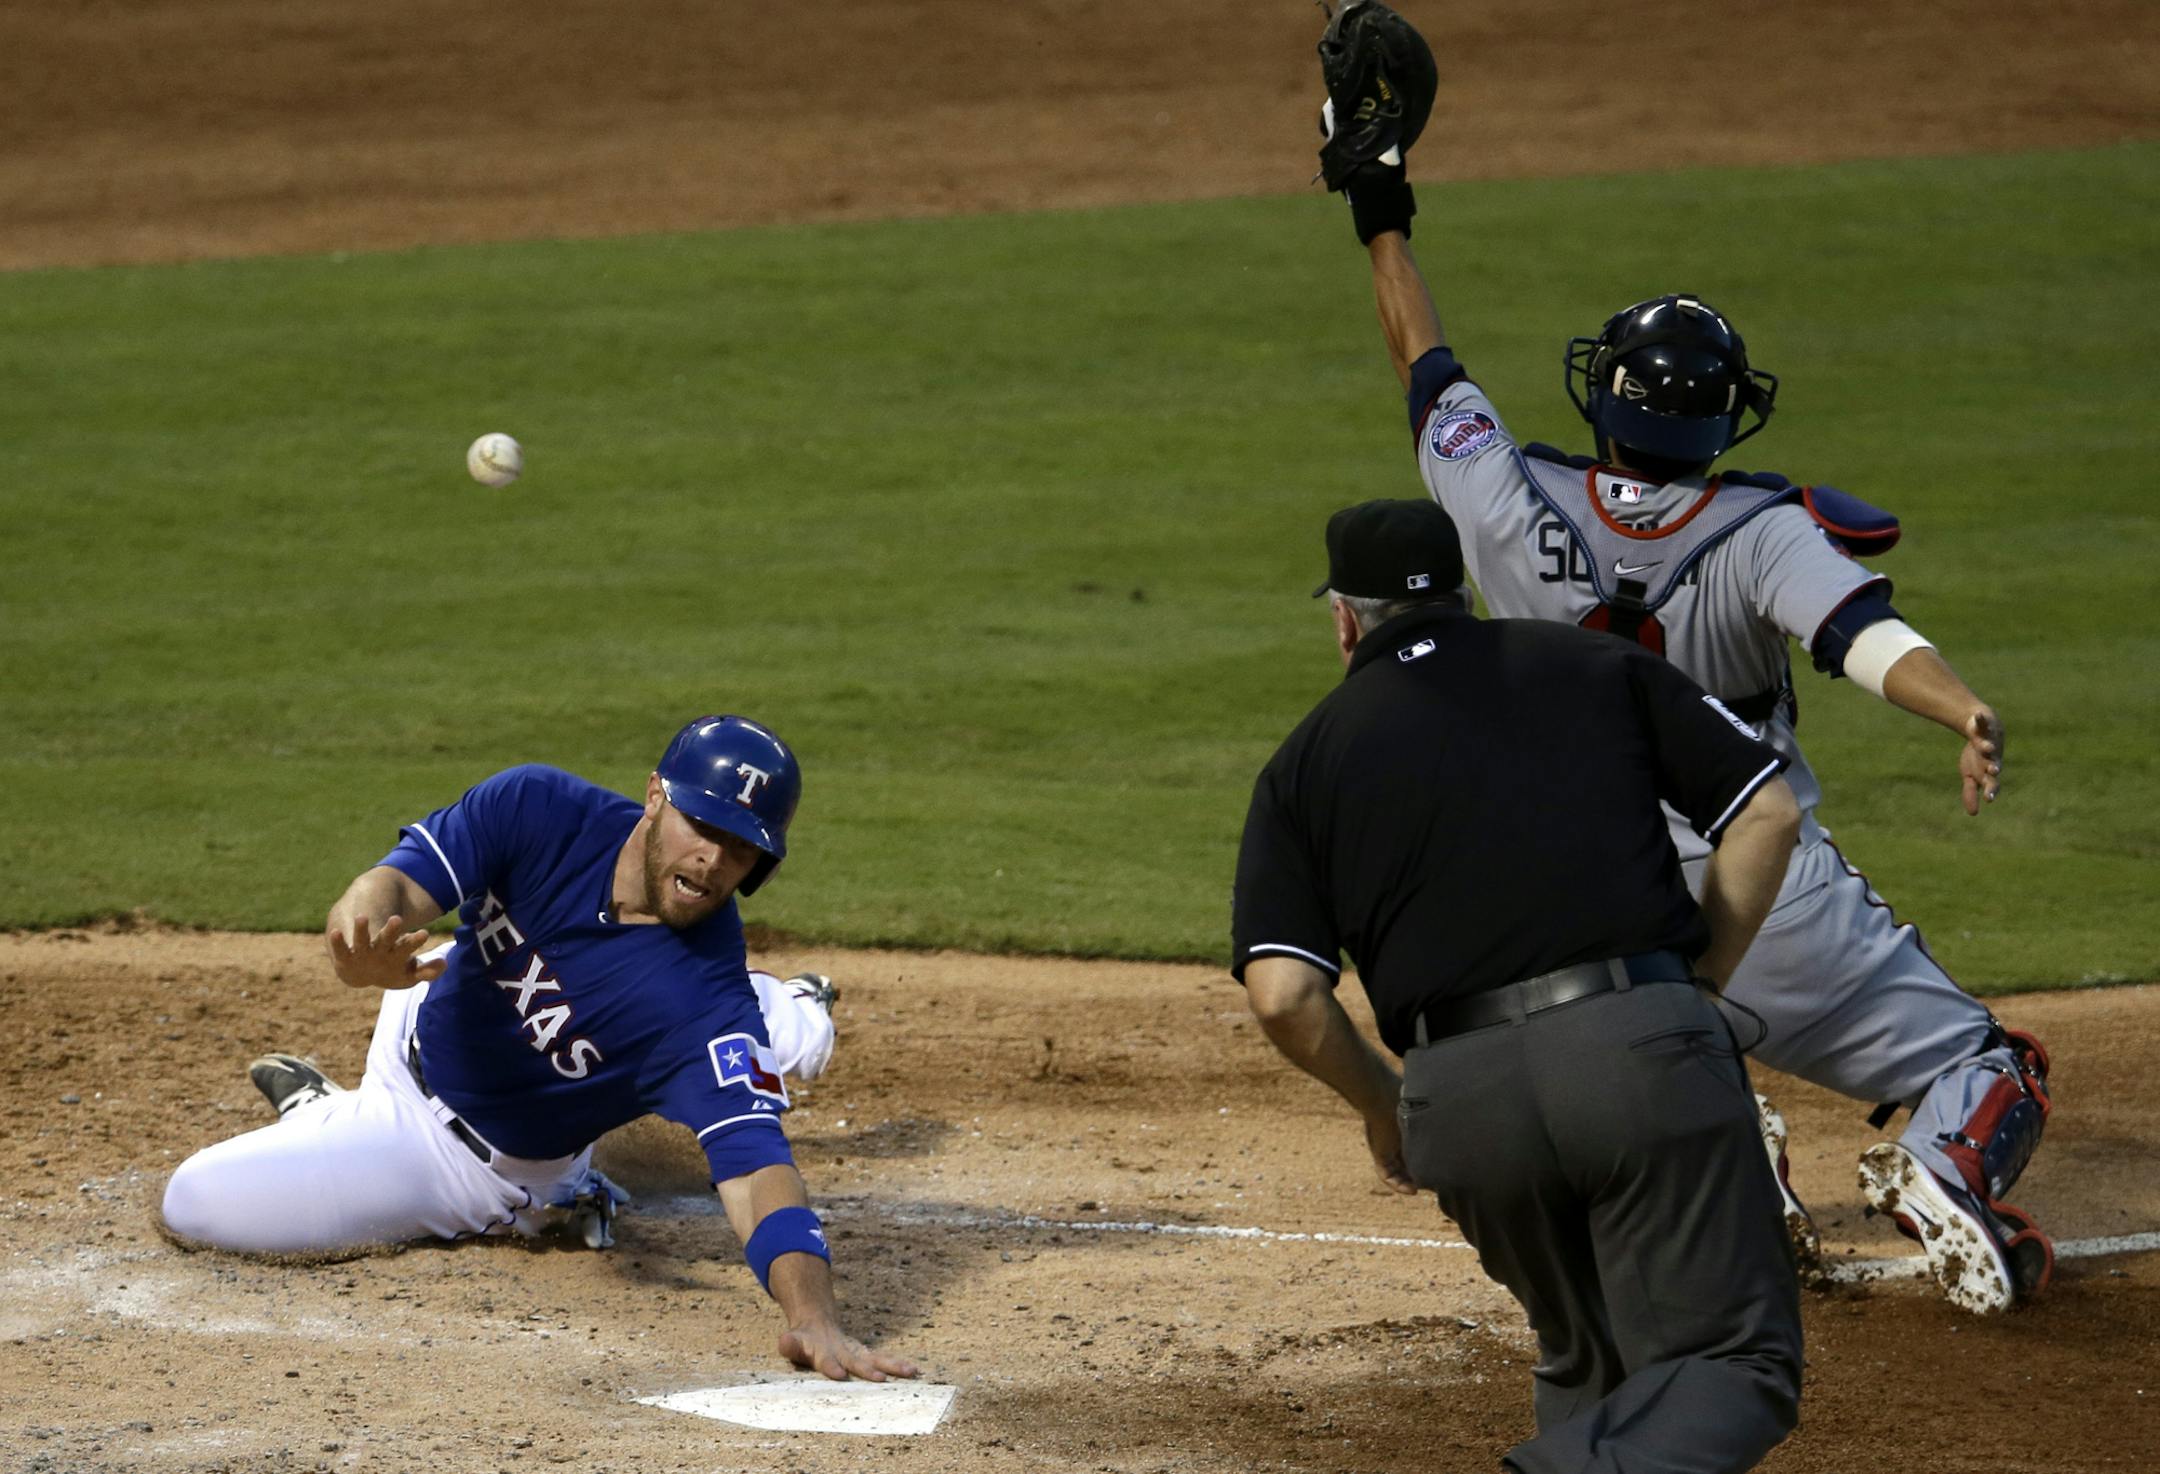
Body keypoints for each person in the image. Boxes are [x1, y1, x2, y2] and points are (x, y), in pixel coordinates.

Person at [1306, 0, 2054, 1314]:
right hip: (1760, 893)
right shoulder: (1762, 530)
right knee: (1991, 1059)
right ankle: (1939, 1161)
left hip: (1565, 891)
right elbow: (1866, 639)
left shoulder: (1498, 491)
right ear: (1720, 424)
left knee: (1629, 1037)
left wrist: (1378, 198)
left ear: (1601, 402)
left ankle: (1709, 1143)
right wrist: (1962, 709)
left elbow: (1419, 352)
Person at [1234, 497, 1806, 1474]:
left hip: (1461, 1101)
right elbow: (1768, 814)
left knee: (1596, 1363)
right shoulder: (1592, 663)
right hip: (1639, 1054)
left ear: (1344, 618)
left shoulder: (1303, 764)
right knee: (1729, 1360)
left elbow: (1284, 994)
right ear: (1460, 590)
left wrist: (1385, 1108)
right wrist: (1695, 987)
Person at [161, 714, 918, 1383]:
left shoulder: (704, 1005)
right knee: (463, 975)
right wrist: (354, 940)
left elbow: (756, 1173)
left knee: (193, 1202)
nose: (714, 862)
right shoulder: (538, 807)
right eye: (703, 827)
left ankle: (796, 1010)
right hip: (418, 1012)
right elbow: (393, 885)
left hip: (455, 1161)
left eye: (742, 850)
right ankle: (333, 1115)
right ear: (656, 794)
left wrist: (813, 1313)